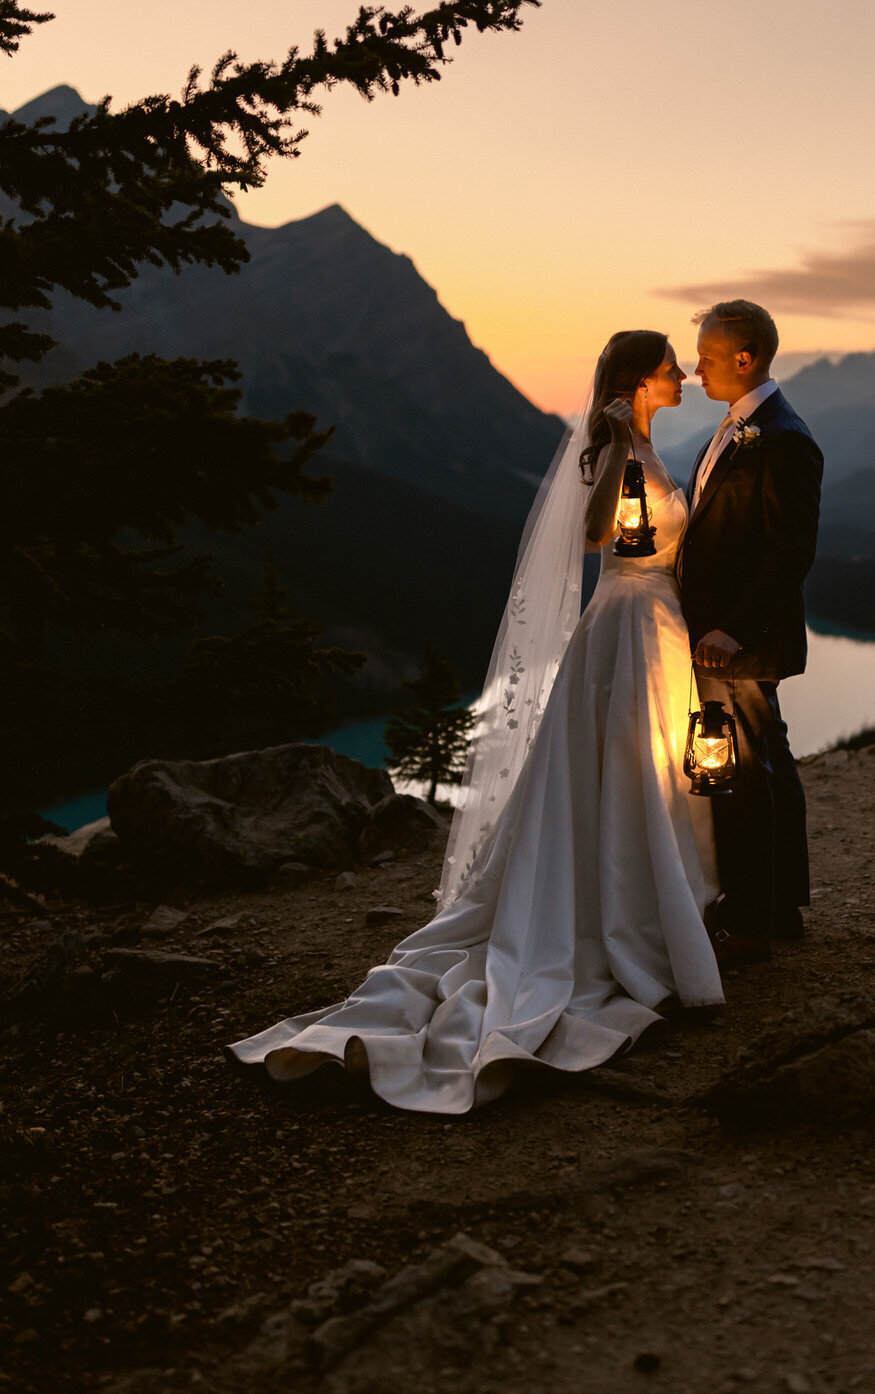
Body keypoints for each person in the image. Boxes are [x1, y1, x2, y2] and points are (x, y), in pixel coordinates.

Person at [225, 330, 724, 1115]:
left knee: (654, 770)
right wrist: (620, 436)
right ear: (635, 382)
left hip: (661, 629)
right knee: (616, 768)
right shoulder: (611, 447)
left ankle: (661, 909)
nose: (684, 376)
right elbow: (596, 534)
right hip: (623, 629)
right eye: (670, 368)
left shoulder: (660, 451)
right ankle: (623, 922)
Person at [677, 300, 823, 969]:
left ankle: (750, 927)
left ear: (744, 359)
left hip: (738, 643)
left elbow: (790, 553)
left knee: (744, 778)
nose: (695, 368)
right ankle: (782, 906)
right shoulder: (739, 428)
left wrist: (734, 630)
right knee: (771, 763)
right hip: (728, 637)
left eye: (706, 358)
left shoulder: (783, 438)